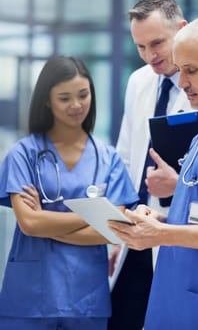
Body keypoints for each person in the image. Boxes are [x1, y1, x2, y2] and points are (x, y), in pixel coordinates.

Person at [108, 15, 198, 330]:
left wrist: (165, 234)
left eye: (191, 71)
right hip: (176, 301)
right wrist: (162, 221)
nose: (181, 83)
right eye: (180, 71)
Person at [0, 56, 138, 330]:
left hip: (86, 300)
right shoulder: (23, 155)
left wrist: (45, 222)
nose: (76, 105)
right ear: (47, 101)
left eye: (83, 95)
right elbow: (29, 223)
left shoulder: (108, 158)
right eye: (64, 98)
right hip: (30, 298)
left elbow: (114, 231)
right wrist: (94, 212)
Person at [108, 0, 192, 330]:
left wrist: (178, 185)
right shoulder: (138, 81)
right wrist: (115, 233)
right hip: (135, 232)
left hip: (174, 230)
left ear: (182, 30)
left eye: (156, 43)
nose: (149, 56)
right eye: (140, 47)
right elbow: (125, 156)